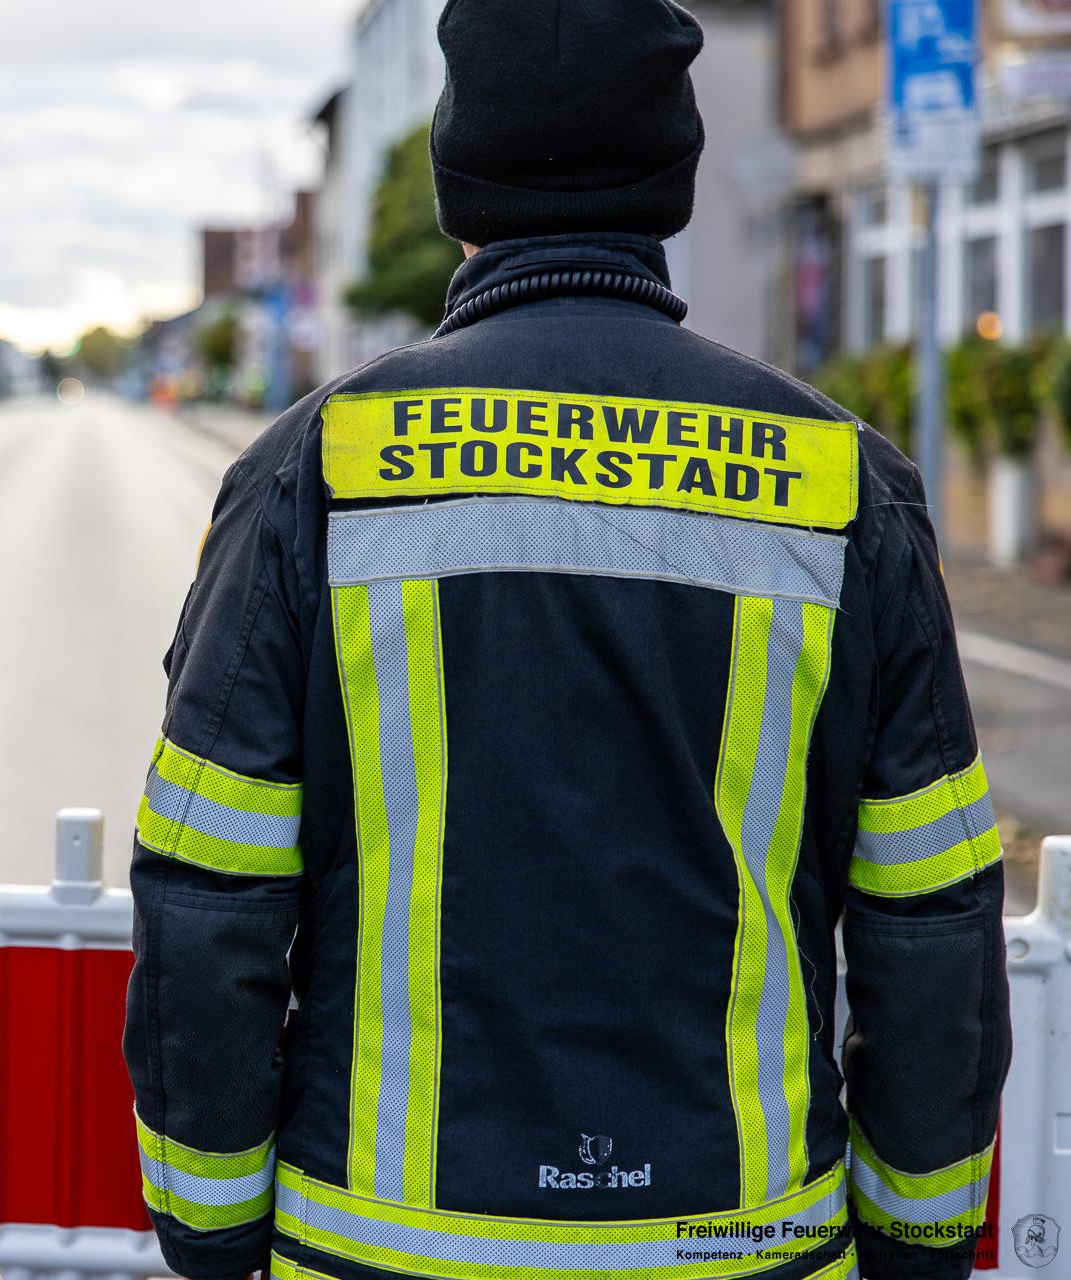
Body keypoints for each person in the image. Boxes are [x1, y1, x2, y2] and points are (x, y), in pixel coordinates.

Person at [122, 3, 1012, 1279]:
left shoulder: (317, 470)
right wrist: (920, 1239)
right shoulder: (841, 485)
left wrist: (210, 1232)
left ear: (455, 183)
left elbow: (210, 892)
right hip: (741, 1247)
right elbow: (928, 910)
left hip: (387, 1246)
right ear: (676, 179)